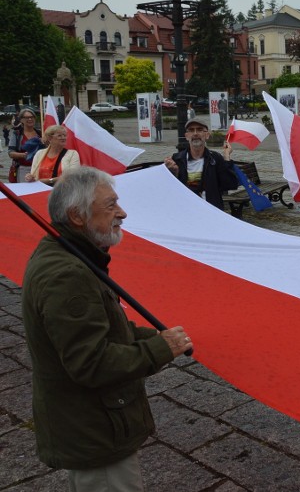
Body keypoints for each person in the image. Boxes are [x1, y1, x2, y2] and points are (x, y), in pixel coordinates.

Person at [21, 166, 193, 490]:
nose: (122, 213)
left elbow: (103, 328)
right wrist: (160, 349)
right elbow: (92, 363)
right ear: (77, 215)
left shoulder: (73, 256)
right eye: (111, 205)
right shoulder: (67, 275)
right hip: (96, 432)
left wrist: (152, 337)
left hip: (92, 425)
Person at [164, 118, 238, 210]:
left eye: (199, 129)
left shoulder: (215, 158)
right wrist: (172, 173)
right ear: (186, 136)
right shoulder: (177, 159)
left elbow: (230, 185)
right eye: (191, 130)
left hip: (211, 211)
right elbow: (170, 191)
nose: (195, 133)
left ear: (207, 135)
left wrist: (226, 157)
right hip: (185, 211)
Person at [7, 107, 41, 182]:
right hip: (23, 169)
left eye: (32, 117)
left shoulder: (41, 134)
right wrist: (24, 155)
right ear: (21, 119)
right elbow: (10, 153)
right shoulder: (17, 134)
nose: (30, 119)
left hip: (39, 169)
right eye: (26, 117)